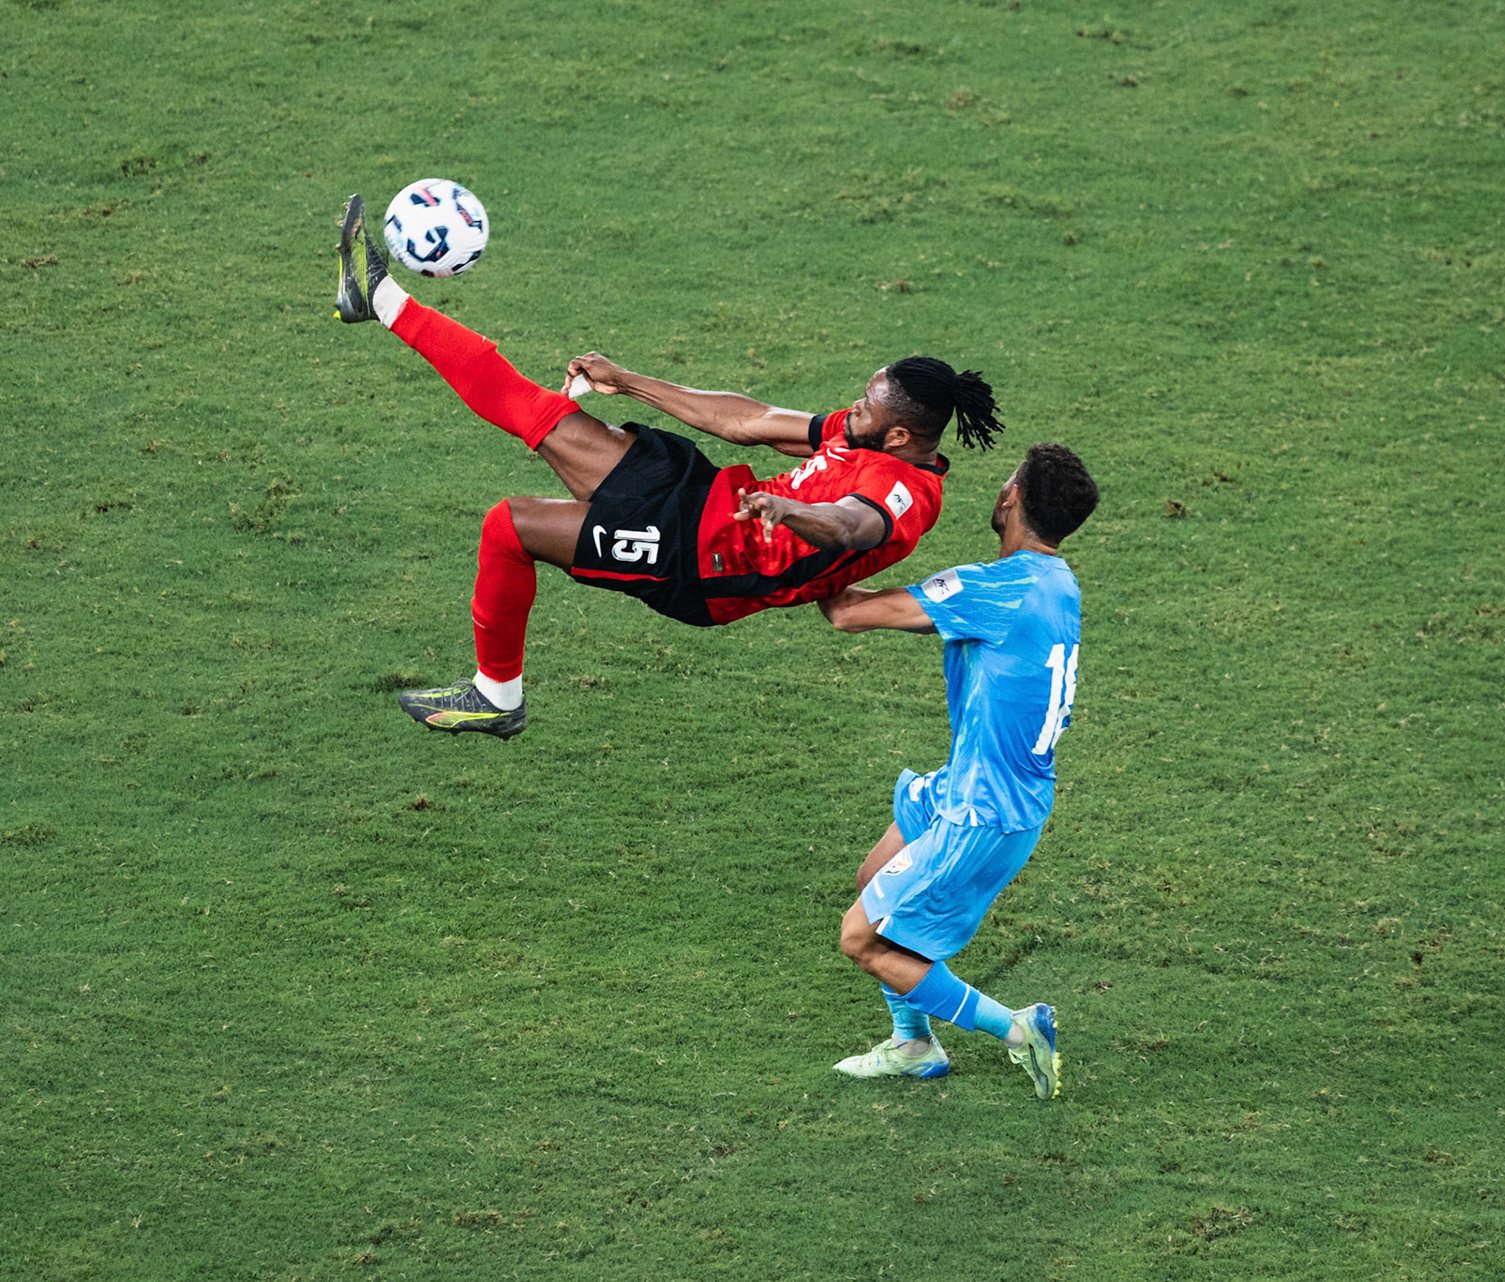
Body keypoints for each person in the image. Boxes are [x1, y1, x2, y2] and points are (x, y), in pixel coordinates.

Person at [332, 194, 1004, 739]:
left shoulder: (905, 493)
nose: (852, 407)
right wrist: (627, 380)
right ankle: (380, 300)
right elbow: (745, 420)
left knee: (507, 527)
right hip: (704, 495)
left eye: (866, 405)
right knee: (537, 412)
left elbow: (853, 526)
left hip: (700, 564)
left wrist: (788, 510)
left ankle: (495, 696)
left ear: (901, 434)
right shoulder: (867, 439)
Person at [816, 442, 1098, 1100]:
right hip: (976, 784)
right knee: (871, 878)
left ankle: (1017, 1029)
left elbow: (846, 613)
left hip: (982, 812)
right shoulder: (1057, 582)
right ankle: (914, 1042)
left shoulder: (992, 589)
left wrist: (825, 535)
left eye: (1008, 480)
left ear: (1013, 501)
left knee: (861, 937)